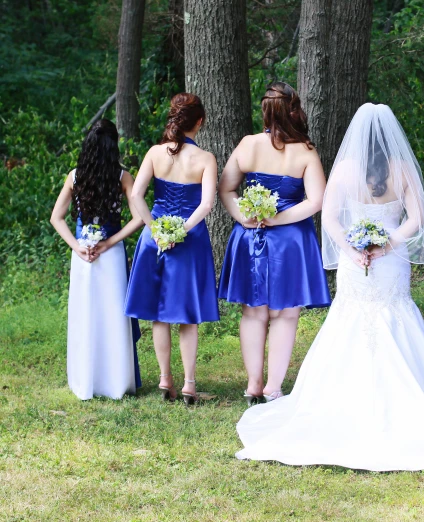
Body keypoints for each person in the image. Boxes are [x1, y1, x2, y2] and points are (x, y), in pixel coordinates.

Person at [235, 103, 424, 471]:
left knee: (352, 318)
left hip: (356, 262)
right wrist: (387, 245)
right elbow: (415, 219)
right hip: (389, 262)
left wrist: (352, 249)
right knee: (393, 313)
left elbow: (330, 218)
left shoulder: (345, 169)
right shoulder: (401, 169)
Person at [218, 82, 331, 406]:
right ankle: (271, 387)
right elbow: (317, 199)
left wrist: (245, 217)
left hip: (251, 237)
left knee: (253, 313)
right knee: (285, 315)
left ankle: (253, 384)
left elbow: (226, 189)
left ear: (265, 111)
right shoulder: (304, 151)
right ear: (292, 110)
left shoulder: (248, 145)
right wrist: (278, 219)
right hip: (290, 240)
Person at [125, 93, 219, 405]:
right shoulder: (205, 159)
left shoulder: (154, 153)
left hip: (155, 241)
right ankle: (189, 384)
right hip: (189, 241)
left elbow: (137, 196)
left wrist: (155, 229)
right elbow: (206, 204)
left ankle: (166, 379)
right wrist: (181, 230)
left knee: (159, 314)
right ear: (200, 122)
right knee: (187, 315)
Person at [50, 119, 143, 400]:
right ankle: (116, 381)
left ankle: (85, 379)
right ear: (113, 146)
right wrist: (109, 243)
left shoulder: (75, 176)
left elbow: (57, 218)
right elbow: (139, 218)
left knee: (86, 315)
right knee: (113, 316)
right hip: (110, 256)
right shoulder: (122, 176)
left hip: (83, 259)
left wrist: (78, 247)